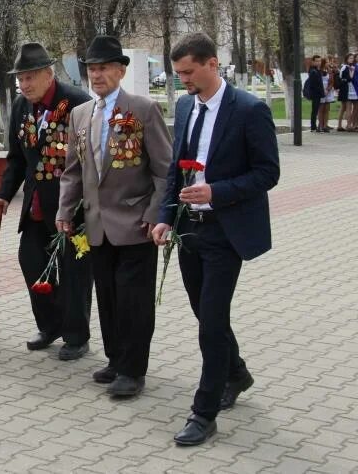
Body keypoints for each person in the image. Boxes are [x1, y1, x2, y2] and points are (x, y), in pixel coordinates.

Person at [151, 33, 279, 446]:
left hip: (227, 232)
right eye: (179, 73)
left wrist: (217, 191)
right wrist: (165, 217)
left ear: (211, 64)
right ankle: (237, 374)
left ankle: (203, 414)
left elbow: (267, 173)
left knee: (211, 321)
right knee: (204, 313)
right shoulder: (187, 105)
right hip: (190, 229)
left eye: (188, 72)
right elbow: (175, 169)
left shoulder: (249, 109)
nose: (183, 80)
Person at [57, 36, 172, 398]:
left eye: (104, 68)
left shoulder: (142, 109)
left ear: (120, 71)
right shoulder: (80, 114)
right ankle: (116, 359)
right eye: (92, 69)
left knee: (133, 301)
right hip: (97, 225)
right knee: (106, 296)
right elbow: (73, 171)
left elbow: (164, 170)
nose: (97, 75)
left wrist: (155, 214)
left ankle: (133, 371)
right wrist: (65, 211)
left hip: (137, 223)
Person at [0, 43, 93, 360]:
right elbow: (18, 158)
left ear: (49, 74)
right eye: (21, 78)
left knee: (74, 272)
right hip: (36, 206)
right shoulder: (22, 107)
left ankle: (76, 335)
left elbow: (91, 160)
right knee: (31, 262)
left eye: (30, 77)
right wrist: (4, 194)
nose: (24, 84)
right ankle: (50, 325)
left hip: (72, 207)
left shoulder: (76, 103)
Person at [305, 55, 326, 132]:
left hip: (318, 93)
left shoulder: (317, 70)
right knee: (315, 110)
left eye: (319, 61)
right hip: (315, 94)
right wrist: (321, 92)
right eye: (317, 61)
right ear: (313, 62)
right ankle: (313, 127)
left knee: (316, 110)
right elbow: (315, 84)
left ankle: (317, 126)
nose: (318, 63)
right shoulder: (313, 71)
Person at [337, 53, 356, 132]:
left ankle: (344, 125)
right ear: (346, 59)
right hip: (346, 89)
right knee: (348, 107)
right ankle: (348, 125)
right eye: (350, 58)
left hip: (349, 89)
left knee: (347, 107)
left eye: (352, 58)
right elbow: (348, 79)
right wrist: (352, 72)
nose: (351, 60)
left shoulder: (348, 67)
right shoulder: (345, 67)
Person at [318, 56, 337, 133]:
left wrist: (328, 89)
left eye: (328, 62)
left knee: (327, 109)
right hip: (321, 91)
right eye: (326, 62)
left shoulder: (329, 70)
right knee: (321, 109)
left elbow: (332, 81)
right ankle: (320, 126)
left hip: (328, 91)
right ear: (323, 63)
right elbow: (317, 82)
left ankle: (325, 125)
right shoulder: (319, 71)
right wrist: (322, 90)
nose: (328, 63)